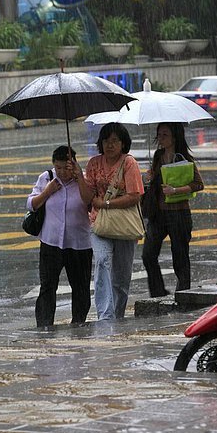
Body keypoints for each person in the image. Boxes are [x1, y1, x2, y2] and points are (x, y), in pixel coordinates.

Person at [26, 145, 94, 328]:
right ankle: (45, 325)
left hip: (79, 243)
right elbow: (31, 204)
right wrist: (47, 191)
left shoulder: (84, 178)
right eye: (59, 168)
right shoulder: (47, 178)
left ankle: (78, 324)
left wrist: (79, 177)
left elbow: (90, 201)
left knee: (80, 288)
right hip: (51, 242)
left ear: (74, 164)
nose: (62, 172)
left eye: (66, 167)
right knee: (48, 286)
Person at [86, 122, 144, 320]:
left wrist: (107, 204)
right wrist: (78, 177)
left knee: (121, 275)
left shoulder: (129, 163)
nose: (109, 145)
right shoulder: (93, 163)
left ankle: (118, 314)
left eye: (114, 141)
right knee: (102, 261)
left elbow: (135, 195)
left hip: (124, 224)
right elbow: (89, 194)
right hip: (98, 223)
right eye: (105, 141)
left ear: (123, 143)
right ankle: (105, 315)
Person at [142, 122, 204, 296]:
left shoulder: (183, 158)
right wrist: (151, 177)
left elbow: (198, 184)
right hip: (158, 213)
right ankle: (158, 292)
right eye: (159, 135)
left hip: (179, 213)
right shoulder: (158, 156)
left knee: (180, 258)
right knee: (148, 255)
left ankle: (183, 294)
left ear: (175, 137)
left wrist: (176, 190)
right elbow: (154, 183)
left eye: (164, 135)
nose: (160, 139)